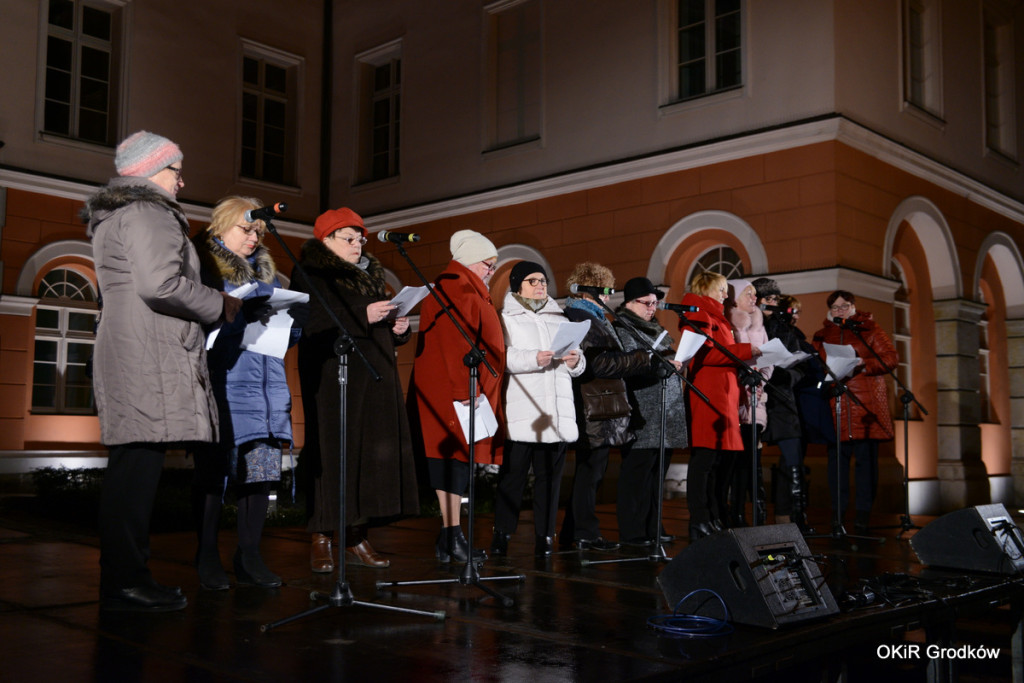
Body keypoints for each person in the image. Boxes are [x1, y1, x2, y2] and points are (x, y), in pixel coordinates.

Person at [84, 131, 253, 611]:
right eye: (176, 171)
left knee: (131, 467)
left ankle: (123, 579)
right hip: (148, 352)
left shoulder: (121, 212)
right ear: (152, 171)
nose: (182, 181)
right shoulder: (148, 211)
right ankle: (126, 582)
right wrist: (219, 303)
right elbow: (161, 284)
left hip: (136, 348)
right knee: (136, 471)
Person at [293, 207, 420, 572]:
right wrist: (364, 315)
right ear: (326, 240)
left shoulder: (369, 274)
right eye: (348, 238)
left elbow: (377, 319)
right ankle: (321, 535)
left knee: (366, 455)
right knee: (332, 451)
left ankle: (355, 535)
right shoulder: (311, 272)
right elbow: (312, 319)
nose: (357, 244)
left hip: (373, 374)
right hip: (333, 375)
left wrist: (398, 328)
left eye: (360, 238)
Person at [192, 196, 306, 589]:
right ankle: (207, 554)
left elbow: (277, 340)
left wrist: (293, 325)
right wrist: (239, 317)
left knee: (260, 473)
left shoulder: (267, 274)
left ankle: (249, 555)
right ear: (221, 225)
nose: (254, 237)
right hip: (223, 383)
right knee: (213, 475)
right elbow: (199, 331)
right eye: (246, 229)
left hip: (267, 390)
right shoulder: (204, 267)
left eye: (258, 231)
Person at [410, 229, 505, 563]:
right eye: (487, 264)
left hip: (462, 391)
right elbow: (456, 344)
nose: (491, 271)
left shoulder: (468, 286)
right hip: (453, 395)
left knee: (458, 465)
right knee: (451, 464)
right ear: (469, 261)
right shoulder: (456, 287)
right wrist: (465, 389)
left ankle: (449, 538)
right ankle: (452, 536)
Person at [559, 263, 657, 551]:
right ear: (588, 289)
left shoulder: (593, 315)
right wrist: (640, 358)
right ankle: (585, 533)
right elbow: (599, 363)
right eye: (604, 289)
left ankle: (574, 531)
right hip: (593, 403)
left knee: (591, 471)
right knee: (591, 472)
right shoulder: (581, 317)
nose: (609, 295)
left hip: (600, 401)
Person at [491, 261, 584, 557]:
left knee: (550, 480)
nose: (540, 285)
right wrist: (533, 359)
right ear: (517, 285)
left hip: (556, 412)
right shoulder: (505, 318)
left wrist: (575, 362)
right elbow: (501, 357)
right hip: (523, 412)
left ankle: (545, 537)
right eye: (533, 281)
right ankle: (502, 534)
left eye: (543, 280)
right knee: (513, 478)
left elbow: (578, 358)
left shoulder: (559, 316)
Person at [679, 271, 757, 541]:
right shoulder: (699, 313)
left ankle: (712, 517)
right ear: (705, 288)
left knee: (718, 462)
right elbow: (704, 354)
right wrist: (746, 351)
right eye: (721, 289)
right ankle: (699, 519)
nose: (726, 295)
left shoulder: (716, 317)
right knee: (704, 460)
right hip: (708, 394)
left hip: (723, 394)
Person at [812, 290, 898, 533]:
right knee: (836, 465)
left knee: (865, 465)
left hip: (864, 404)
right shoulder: (822, 334)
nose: (840, 310)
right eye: (835, 307)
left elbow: (891, 358)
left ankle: (863, 515)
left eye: (844, 306)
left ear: (853, 306)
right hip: (835, 405)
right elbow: (815, 365)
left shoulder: (870, 329)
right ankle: (837, 514)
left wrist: (863, 363)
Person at [612, 277, 687, 546]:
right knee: (637, 474)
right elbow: (630, 364)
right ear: (630, 303)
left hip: (666, 409)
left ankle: (653, 526)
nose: (652, 308)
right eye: (646, 303)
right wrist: (659, 366)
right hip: (643, 409)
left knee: (657, 474)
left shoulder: (656, 329)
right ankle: (633, 531)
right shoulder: (622, 329)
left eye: (655, 303)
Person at [751, 280, 812, 530]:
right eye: (768, 299)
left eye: (776, 299)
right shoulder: (747, 325)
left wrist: (787, 376)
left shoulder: (785, 329)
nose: (772, 304)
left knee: (792, 457)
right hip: (754, 397)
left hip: (782, 397)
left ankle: (792, 516)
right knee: (751, 459)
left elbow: (801, 365)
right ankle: (757, 517)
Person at [724, 279, 772, 527]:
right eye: (748, 294)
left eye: (754, 295)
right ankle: (728, 512)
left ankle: (742, 512)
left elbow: (768, 358)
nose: (754, 299)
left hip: (755, 400)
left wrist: (761, 379)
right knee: (731, 461)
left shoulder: (759, 324)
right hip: (733, 400)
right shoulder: (727, 322)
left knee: (749, 462)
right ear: (734, 298)